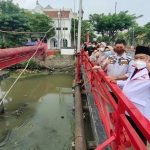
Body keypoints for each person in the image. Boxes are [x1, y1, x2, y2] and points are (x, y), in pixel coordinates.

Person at [112, 46, 150, 145]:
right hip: (128, 106)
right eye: (136, 58)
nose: (138, 60)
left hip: (140, 110)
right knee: (130, 130)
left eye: (141, 58)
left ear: (148, 59)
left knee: (140, 135)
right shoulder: (136, 69)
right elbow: (128, 83)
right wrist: (116, 82)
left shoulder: (148, 72)